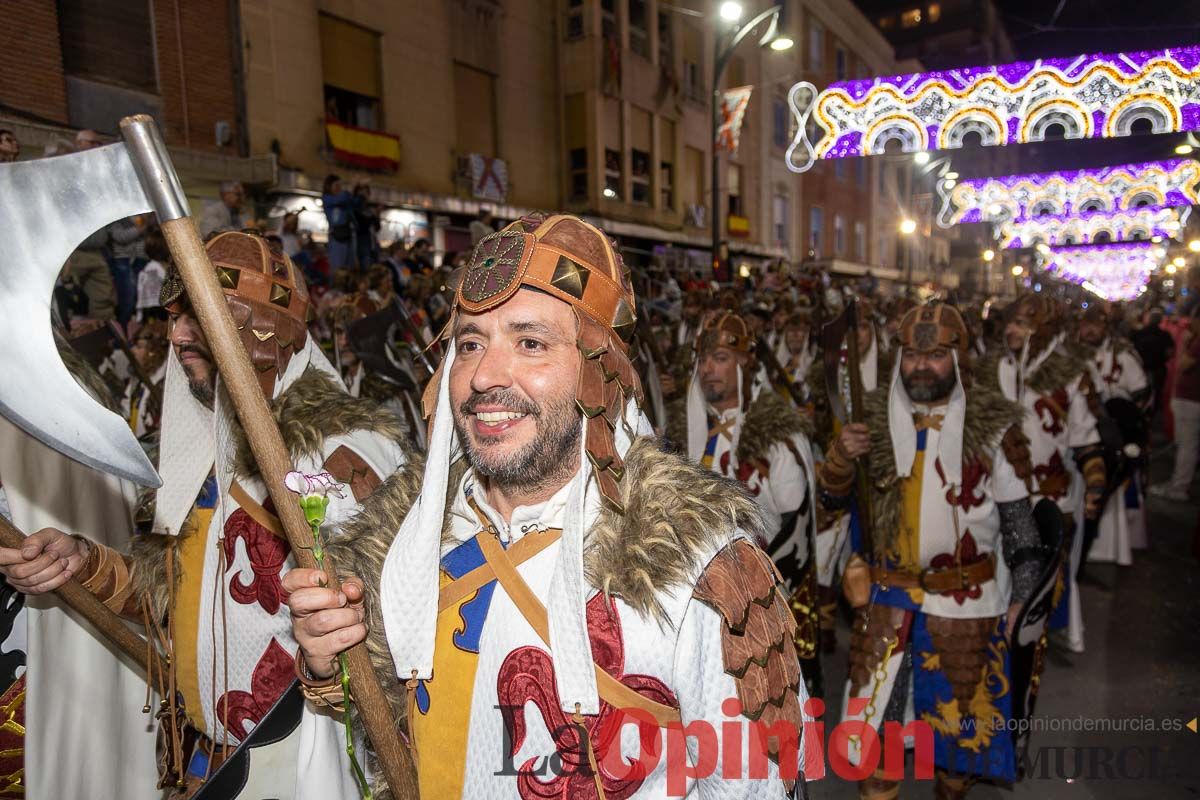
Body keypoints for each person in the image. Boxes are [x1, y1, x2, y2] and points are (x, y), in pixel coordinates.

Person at [285, 213, 811, 798]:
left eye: (530, 342)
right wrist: (330, 665)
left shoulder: (698, 570)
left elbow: (750, 787)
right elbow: (369, 744)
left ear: (597, 371)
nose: (485, 374)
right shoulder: (401, 547)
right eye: (469, 343)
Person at [0, 232, 414, 798]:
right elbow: (171, 611)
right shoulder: (199, 461)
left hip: (306, 771)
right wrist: (82, 562)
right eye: (173, 318)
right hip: (204, 768)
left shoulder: (346, 452)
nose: (175, 336)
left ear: (264, 331)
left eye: (197, 317)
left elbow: (382, 654)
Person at [819, 303, 1045, 800]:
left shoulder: (994, 430)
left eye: (937, 354)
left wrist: (1020, 603)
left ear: (958, 359)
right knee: (876, 746)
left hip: (968, 610)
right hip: (887, 605)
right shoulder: (870, 425)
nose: (922, 364)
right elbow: (832, 502)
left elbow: (1021, 529)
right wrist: (839, 459)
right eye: (913, 353)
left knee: (958, 755)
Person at [667, 310, 822, 685]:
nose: (708, 369)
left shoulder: (776, 437)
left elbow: (796, 524)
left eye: (720, 359)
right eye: (702, 360)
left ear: (744, 364)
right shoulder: (682, 436)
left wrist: (756, 594)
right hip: (693, 606)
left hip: (761, 606)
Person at [977, 295, 1104, 653]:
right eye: (1012, 322)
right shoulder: (987, 370)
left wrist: (1095, 484)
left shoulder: (1071, 374)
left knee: (1046, 581)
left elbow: (1086, 439)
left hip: (1050, 497)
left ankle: (1038, 643)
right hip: (998, 496)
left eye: (1025, 323)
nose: (1014, 330)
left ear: (1045, 329)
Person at [1151, 305, 1200, 501]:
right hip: (1191, 398)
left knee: (1187, 445)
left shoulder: (1196, 342)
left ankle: (1178, 488)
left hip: (1190, 399)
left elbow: (1182, 364)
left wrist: (1186, 344)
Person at [108, 214, 150, 327]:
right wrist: (143, 227)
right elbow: (120, 236)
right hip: (124, 260)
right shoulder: (117, 215)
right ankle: (122, 331)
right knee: (127, 298)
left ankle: (138, 331)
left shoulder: (147, 214)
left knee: (142, 298)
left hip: (143, 259)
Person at [1132, 307, 1176, 414]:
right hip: (1158, 368)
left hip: (1142, 368)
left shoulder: (1139, 333)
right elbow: (1170, 352)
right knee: (1158, 391)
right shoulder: (1164, 334)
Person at [322, 174, 358, 270]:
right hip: (336, 238)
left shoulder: (345, 201)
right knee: (338, 269)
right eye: (336, 185)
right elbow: (343, 198)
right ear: (329, 186)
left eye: (340, 186)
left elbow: (355, 202)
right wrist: (352, 186)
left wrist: (359, 188)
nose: (339, 188)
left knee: (349, 269)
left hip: (349, 236)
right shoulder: (327, 198)